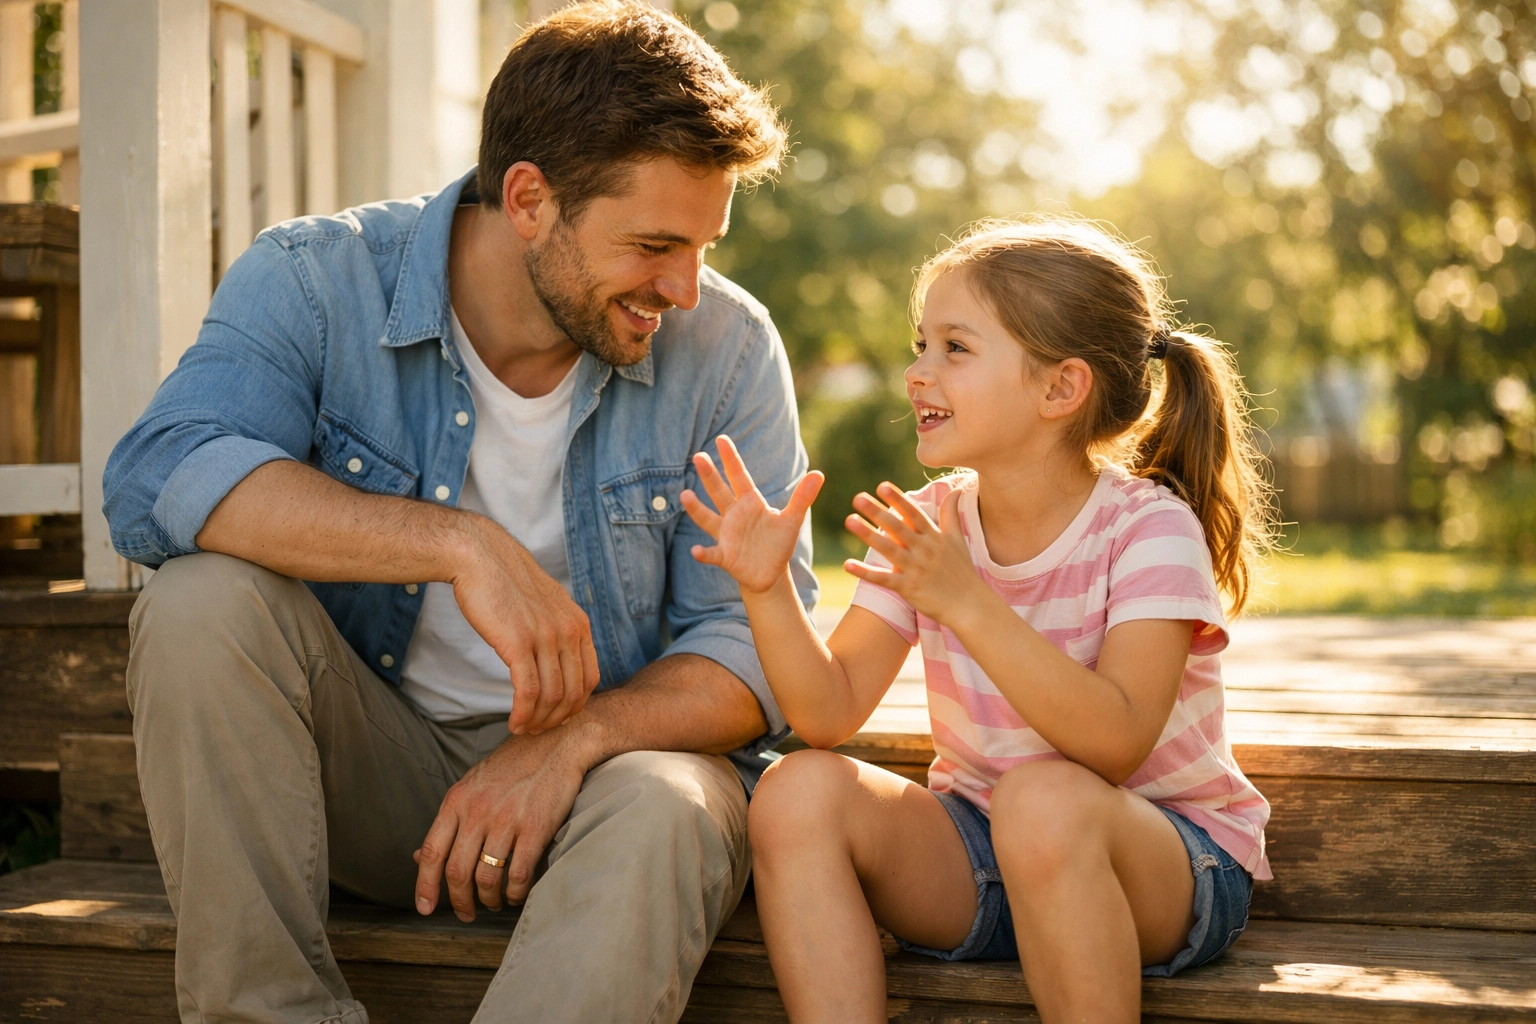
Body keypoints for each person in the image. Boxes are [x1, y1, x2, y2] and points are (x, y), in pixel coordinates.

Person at [101, 4, 812, 1022]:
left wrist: (573, 743)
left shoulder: (731, 352)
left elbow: (751, 642)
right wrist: (456, 544)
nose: (687, 289)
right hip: (365, 778)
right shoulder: (315, 281)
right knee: (198, 603)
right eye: (655, 243)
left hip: (595, 804)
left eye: (703, 245)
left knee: (675, 800)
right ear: (528, 199)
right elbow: (159, 474)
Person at [679, 217, 1276, 1023]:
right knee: (794, 791)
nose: (916, 373)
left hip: (1167, 866)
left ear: (1060, 389)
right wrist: (764, 588)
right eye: (920, 345)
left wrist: (967, 601)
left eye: (954, 349)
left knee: (1045, 800)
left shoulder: (1148, 529)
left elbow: (1117, 738)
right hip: (986, 855)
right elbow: (826, 711)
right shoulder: (930, 527)